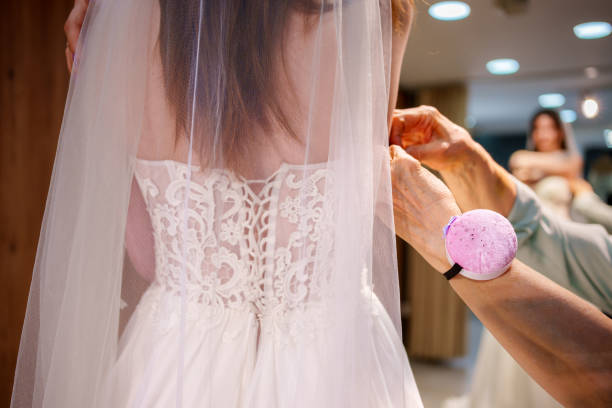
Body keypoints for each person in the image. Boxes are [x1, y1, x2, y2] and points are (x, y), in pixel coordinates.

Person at [12, 1, 424, 408]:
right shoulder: (380, 11)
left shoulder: (124, 21)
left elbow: (147, 258)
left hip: (180, 361)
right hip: (335, 360)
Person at [389, 106, 612, 407]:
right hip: (522, 246)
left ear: (561, 131)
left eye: (550, 127)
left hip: (537, 263)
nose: (544, 134)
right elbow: (549, 236)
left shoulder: (569, 166)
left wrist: (450, 242)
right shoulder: (542, 164)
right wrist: (468, 161)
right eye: (539, 127)